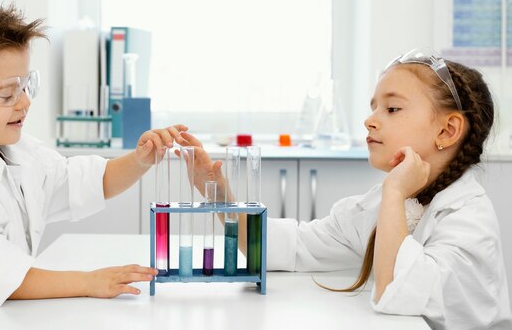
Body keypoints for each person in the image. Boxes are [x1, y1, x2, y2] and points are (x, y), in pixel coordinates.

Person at [0, 0, 188, 330]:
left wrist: (139, 160)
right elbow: (2, 281)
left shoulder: (12, 150)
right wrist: (90, 282)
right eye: (6, 94)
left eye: (25, 85)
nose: (25, 102)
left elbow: (85, 181)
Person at [185, 49, 512, 330]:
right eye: (373, 107)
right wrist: (219, 196)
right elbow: (291, 247)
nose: (370, 120)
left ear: (448, 129)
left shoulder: (468, 219)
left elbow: (396, 293)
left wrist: (394, 194)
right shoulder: (381, 204)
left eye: (392, 109)